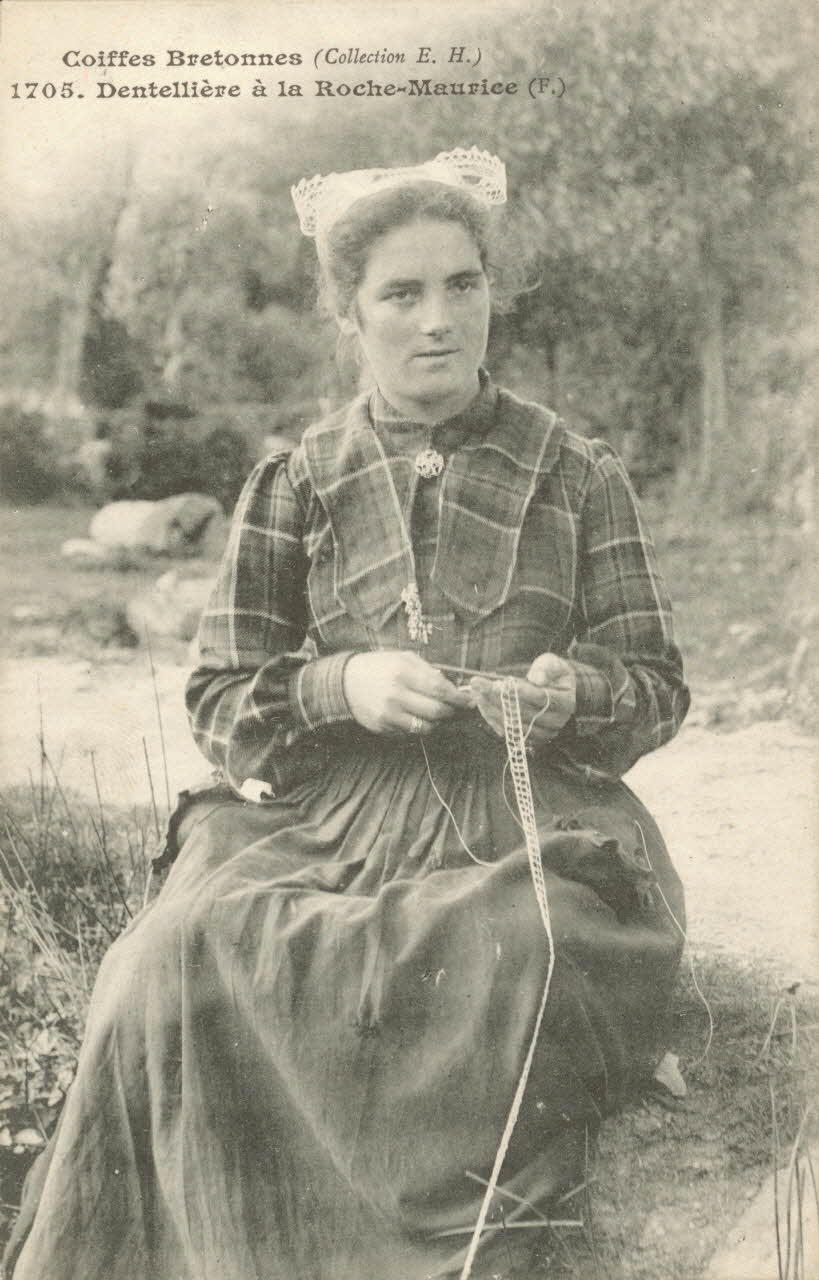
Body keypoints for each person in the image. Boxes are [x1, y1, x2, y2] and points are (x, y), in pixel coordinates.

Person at [9, 147, 690, 1280]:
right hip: (332, 816)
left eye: (463, 285)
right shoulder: (296, 477)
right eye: (401, 294)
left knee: (525, 947)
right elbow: (223, 697)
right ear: (348, 313)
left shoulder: (576, 473)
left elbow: (656, 683)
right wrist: (343, 686)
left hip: (515, 815)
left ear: (492, 290)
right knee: (167, 956)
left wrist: (576, 694)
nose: (439, 321)